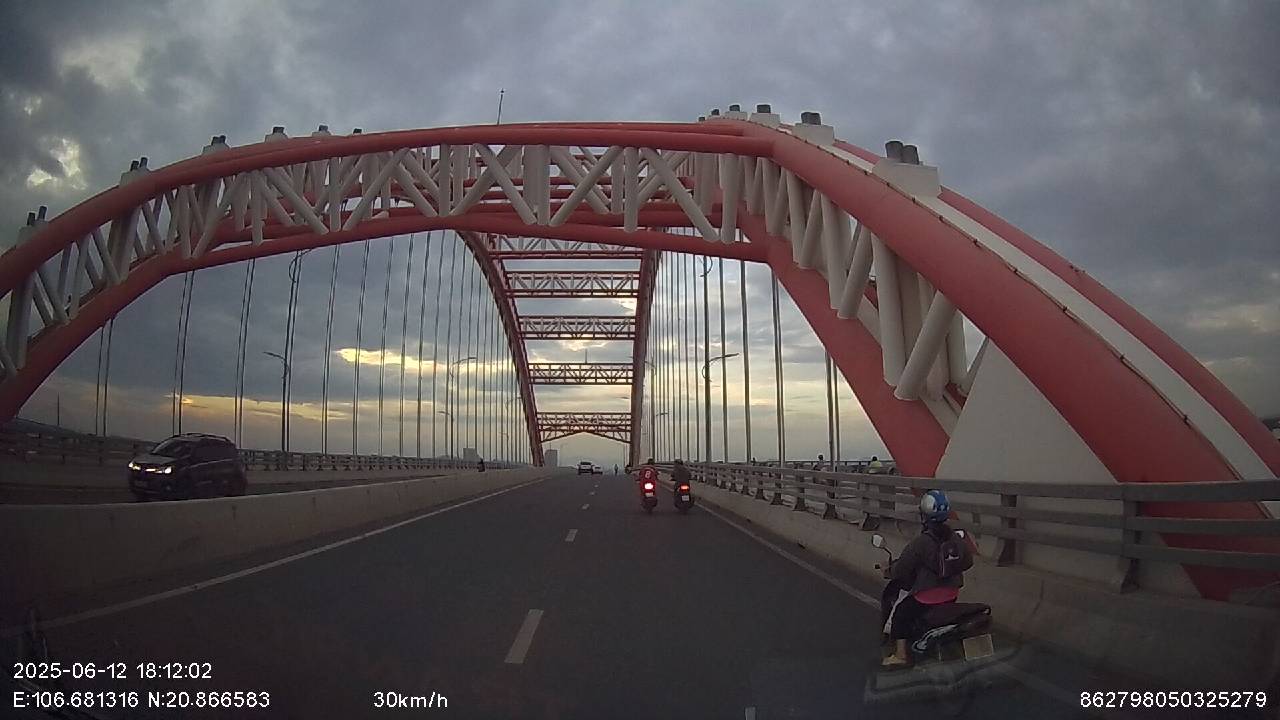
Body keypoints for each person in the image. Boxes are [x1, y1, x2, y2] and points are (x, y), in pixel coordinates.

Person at [880, 489, 972, 668]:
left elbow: (902, 569)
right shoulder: (956, 538)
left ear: (924, 514)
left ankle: (900, 656)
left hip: (926, 597)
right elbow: (968, 562)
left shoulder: (921, 542)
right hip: (952, 594)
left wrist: (888, 571)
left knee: (901, 614)